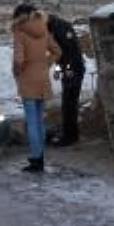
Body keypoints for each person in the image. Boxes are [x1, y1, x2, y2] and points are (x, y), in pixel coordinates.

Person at [11, 3, 61, 173]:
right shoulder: (44, 29)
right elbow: (57, 51)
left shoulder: (20, 32)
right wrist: (45, 64)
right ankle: (40, 156)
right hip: (42, 79)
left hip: (28, 80)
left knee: (31, 121)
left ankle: (36, 159)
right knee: (39, 120)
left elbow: (19, 60)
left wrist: (17, 72)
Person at [46, 12, 86, 147]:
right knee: (69, 103)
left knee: (69, 104)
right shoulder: (58, 26)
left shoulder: (60, 29)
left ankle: (70, 136)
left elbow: (68, 54)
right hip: (71, 68)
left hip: (73, 69)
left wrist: (66, 71)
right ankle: (70, 134)